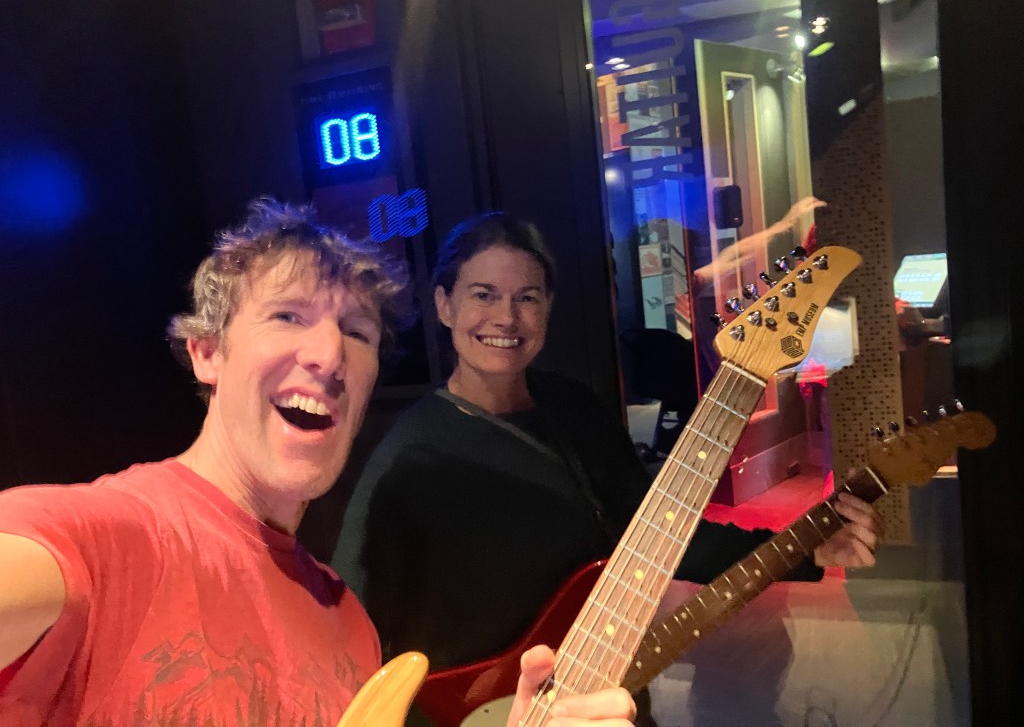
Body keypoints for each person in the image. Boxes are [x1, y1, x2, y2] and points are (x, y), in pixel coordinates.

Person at [0, 197, 636, 727]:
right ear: (207, 352)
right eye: (288, 316)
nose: (329, 355)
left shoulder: (349, 628)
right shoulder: (104, 540)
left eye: (357, 332)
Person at [332, 213, 882, 724]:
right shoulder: (410, 458)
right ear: (445, 305)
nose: (506, 317)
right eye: (483, 294)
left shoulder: (574, 410)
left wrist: (804, 548)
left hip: (603, 701)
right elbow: (351, 638)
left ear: (548, 308)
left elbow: (663, 536)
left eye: (527, 297)